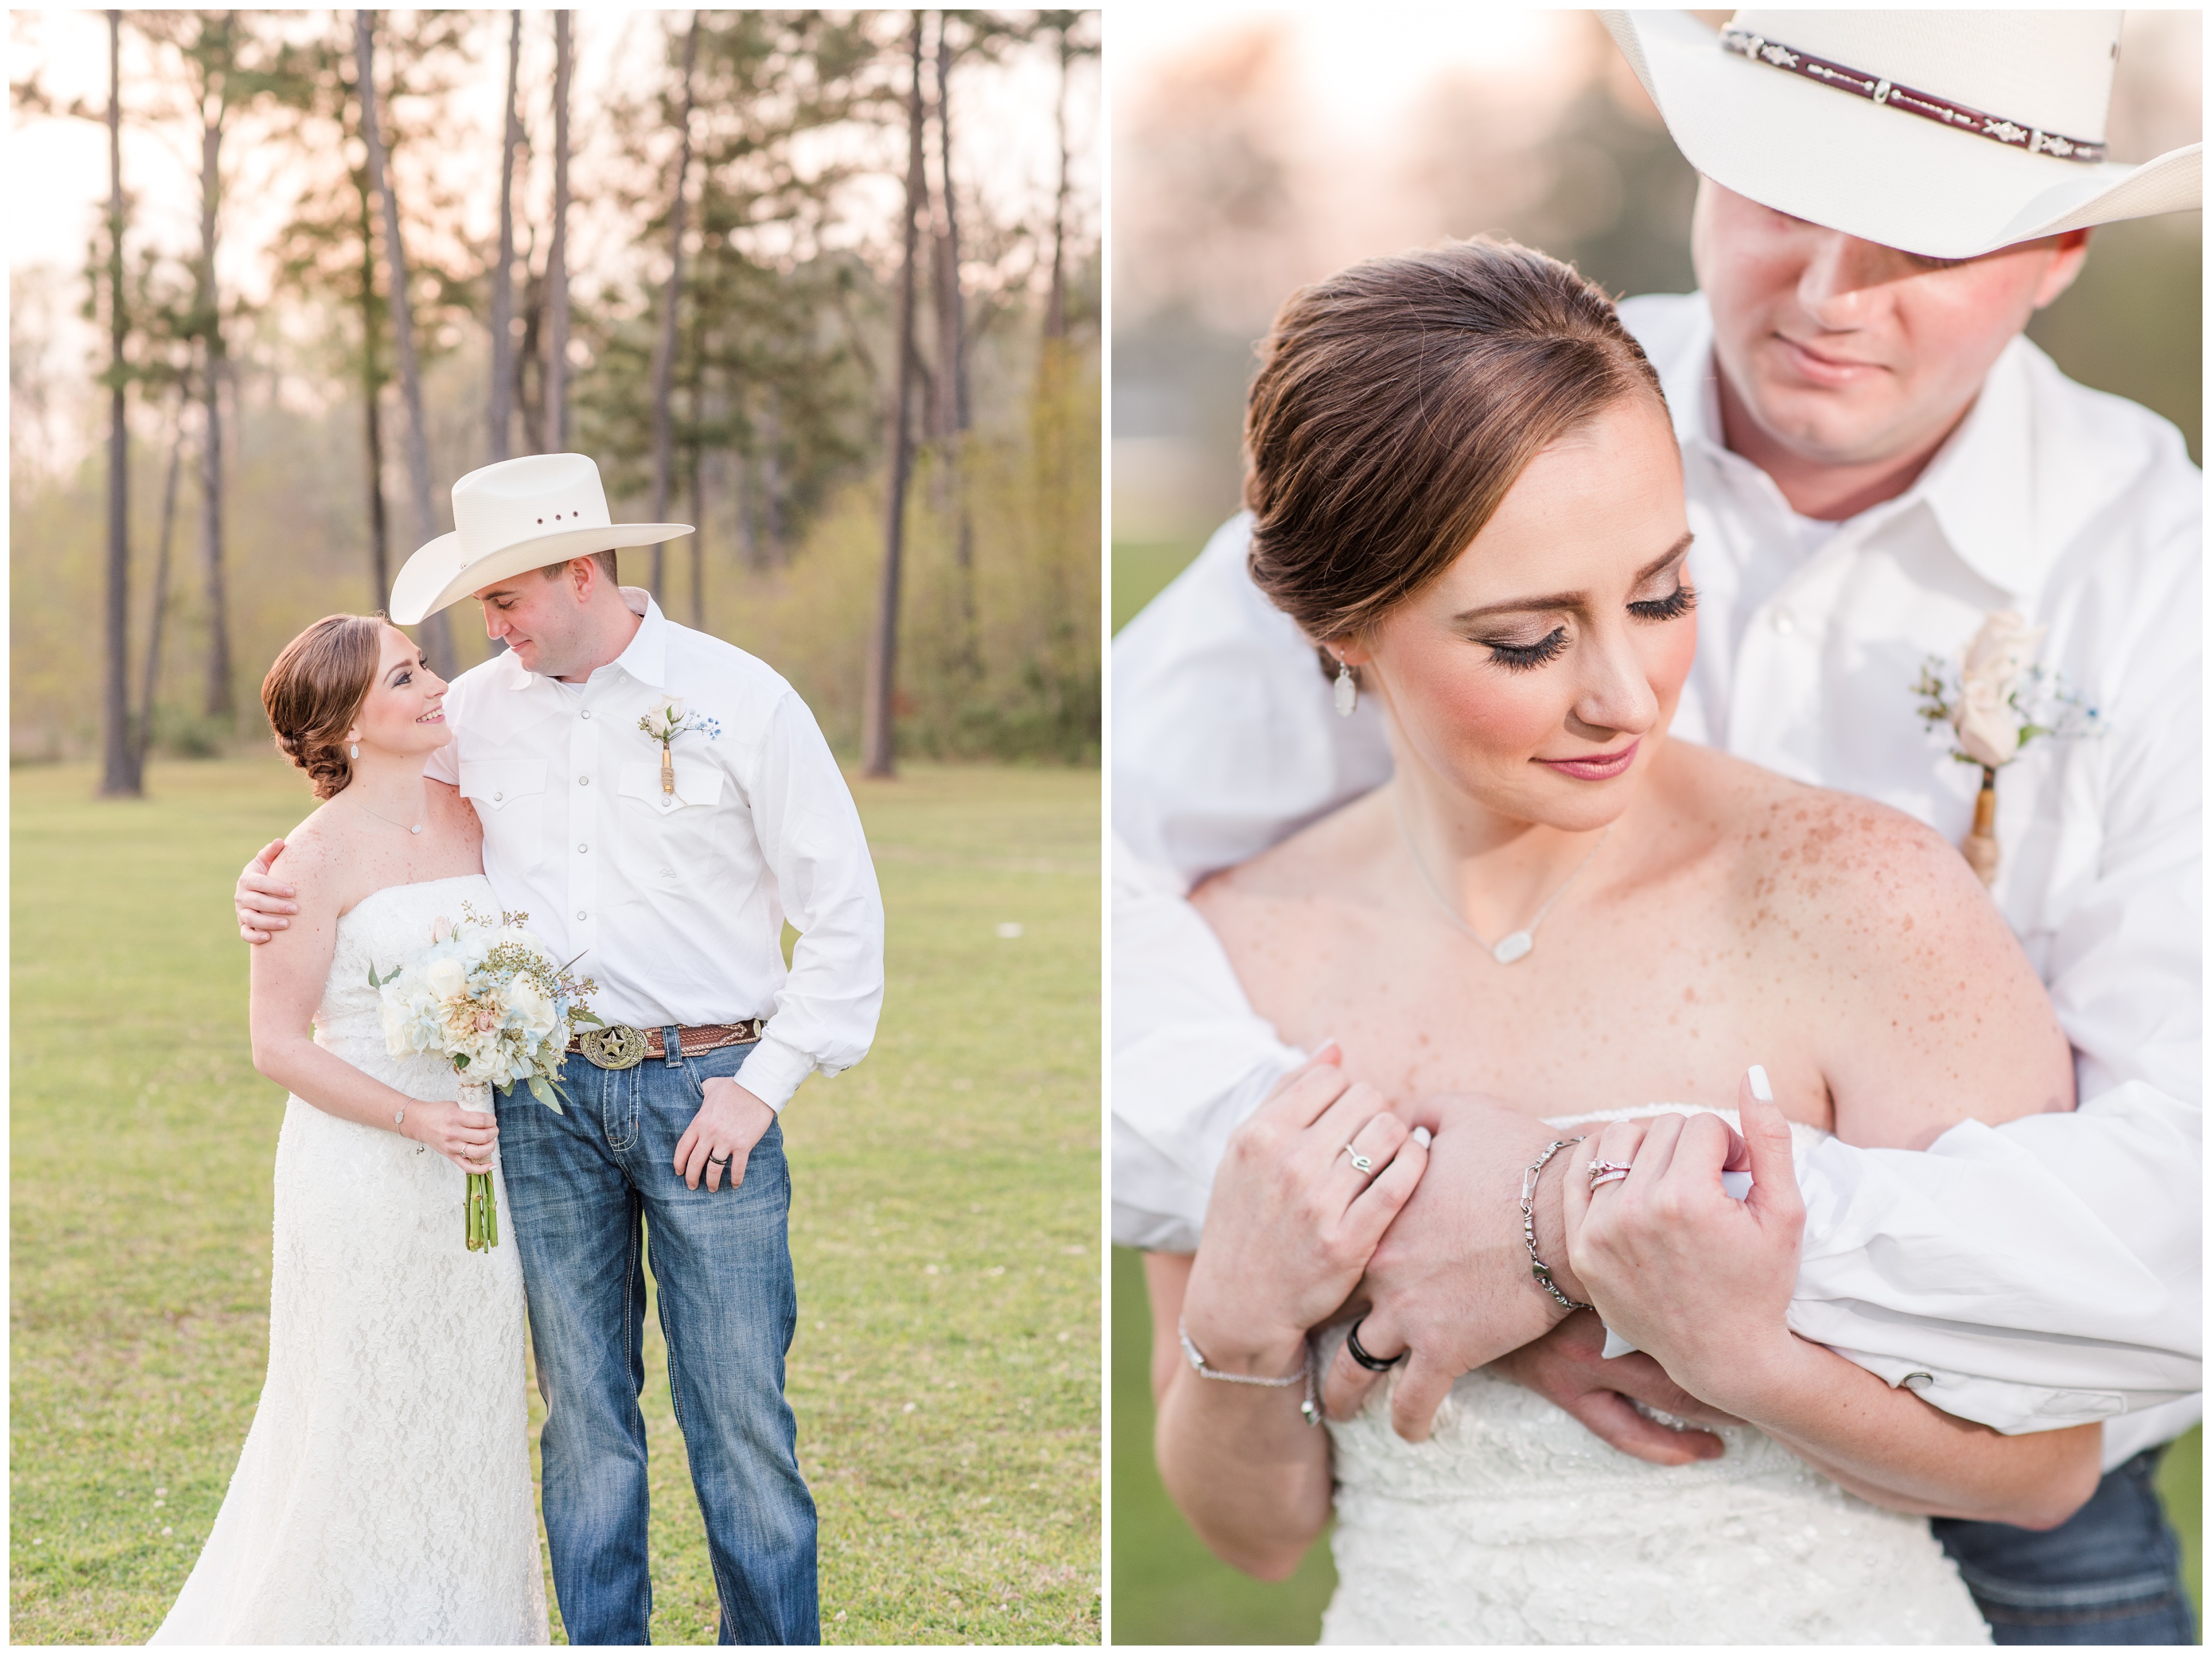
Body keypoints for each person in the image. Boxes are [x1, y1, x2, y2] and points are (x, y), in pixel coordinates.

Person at [1114, 10, 2201, 1643]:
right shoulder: (1476, 428)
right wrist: (1372, 1223)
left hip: (2021, 1497)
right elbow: (1098, 894)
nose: (1830, 295)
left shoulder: (2156, 587)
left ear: (2051, 249)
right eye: (1780, 198)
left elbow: (2170, 1211)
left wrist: (1577, 1234)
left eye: (1922, 239)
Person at [235, 452, 885, 1644]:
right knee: (584, 1420)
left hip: (710, 1089)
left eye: (504, 600)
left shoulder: (741, 697)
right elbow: (357, 816)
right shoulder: (473, 713)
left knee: (739, 1414)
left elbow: (845, 916)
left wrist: (763, 1088)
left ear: (580, 573)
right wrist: (263, 881)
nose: (488, 629)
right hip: (542, 1099)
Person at [157, 616, 547, 1642]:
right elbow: (277, 1044)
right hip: (364, 1169)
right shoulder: (303, 862)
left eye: (423, 664)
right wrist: (414, 1115)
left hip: (476, 1164)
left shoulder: (471, 813)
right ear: (348, 725)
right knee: (356, 1413)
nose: (436, 684)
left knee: (465, 1408)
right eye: (405, 677)